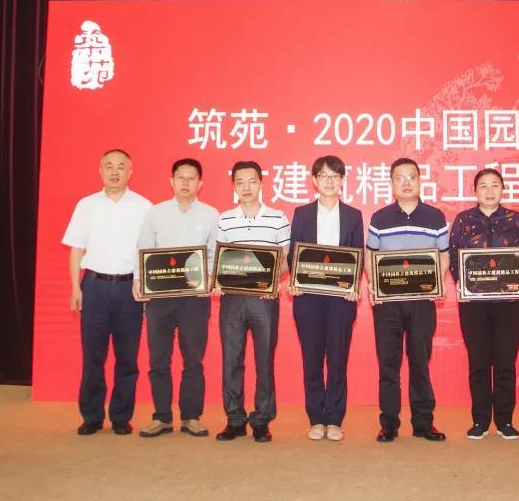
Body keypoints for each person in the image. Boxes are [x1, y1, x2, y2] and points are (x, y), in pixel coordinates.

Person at [62, 149, 152, 436]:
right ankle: (91, 416)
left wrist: (144, 284)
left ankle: (121, 417)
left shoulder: (144, 207)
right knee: (93, 356)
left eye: (121, 167)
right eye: (109, 166)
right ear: (100, 170)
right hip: (94, 287)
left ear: (130, 172)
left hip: (129, 290)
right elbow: (76, 249)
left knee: (127, 358)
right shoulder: (86, 205)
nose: (115, 172)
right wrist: (75, 287)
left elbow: (148, 251)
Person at [135, 158, 219, 438]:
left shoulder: (211, 215)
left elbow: (213, 253)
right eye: (180, 177)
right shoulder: (155, 213)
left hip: (195, 298)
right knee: (159, 358)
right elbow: (143, 249)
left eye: (191, 178)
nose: (185, 183)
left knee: (193, 359)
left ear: (200, 184)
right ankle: (161, 416)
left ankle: (191, 416)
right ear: (171, 181)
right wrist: (138, 280)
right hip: (159, 298)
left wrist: (210, 279)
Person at [367, 157, 449, 442]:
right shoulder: (379, 218)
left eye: (411, 177)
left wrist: (437, 281)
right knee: (388, 363)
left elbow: (444, 255)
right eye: (399, 178)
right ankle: (389, 423)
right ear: (391, 183)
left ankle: (423, 423)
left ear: (419, 180)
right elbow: (371, 255)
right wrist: (374, 285)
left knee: (420, 362)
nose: (406, 183)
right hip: (387, 303)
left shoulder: (435, 216)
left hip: (422, 301)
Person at [288, 155, 365, 442]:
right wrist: (296, 280)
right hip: (308, 297)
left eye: (335, 176)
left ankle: (334, 419)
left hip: (341, 298)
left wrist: (353, 285)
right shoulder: (302, 214)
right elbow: (294, 252)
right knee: (311, 358)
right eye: (323, 175)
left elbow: (358, 254)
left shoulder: (353, 215)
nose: (329, 181)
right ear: (314, 180)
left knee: (337, 358)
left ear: (343, 180)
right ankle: (316, 418)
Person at [214, 160, 290, 443]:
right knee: (231, 359)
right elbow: (220, 259)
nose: (246, 187)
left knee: (264, 360)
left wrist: (270, 282)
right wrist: (218, 281)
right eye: (240, 182)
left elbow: (285, 260)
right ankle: (234, 419)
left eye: (252, 181)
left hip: (263, 299)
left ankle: (261, 420)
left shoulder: (278, 218)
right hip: (232, 300)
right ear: (234, 186)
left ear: (261, 183)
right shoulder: (225, 219)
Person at [449, 167, 519, 441]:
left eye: (495, 185)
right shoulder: (463, 220)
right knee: (479, 362)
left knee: (505, 362)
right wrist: (462, 283)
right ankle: (480, 421)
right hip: (474, 303)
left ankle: (505, 421)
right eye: (484, 185)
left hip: (509, 302)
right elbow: (454, 256)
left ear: (503, 189)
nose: (490, 191)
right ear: (475, 191)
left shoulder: (514, 219)